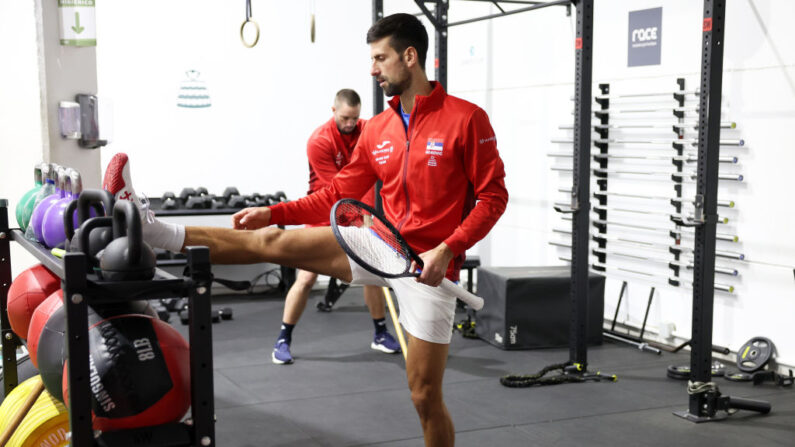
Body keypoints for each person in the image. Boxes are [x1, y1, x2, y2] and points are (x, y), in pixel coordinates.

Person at [103, 13, 507, 447]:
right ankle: (152, 229)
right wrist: (273, 212)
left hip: (428, 268)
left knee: (424, 396)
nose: (372, 69)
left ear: (410, 57)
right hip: (381, 244)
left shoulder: (467, 120)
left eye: (380, 58)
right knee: (270, 242)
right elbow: (336, 193)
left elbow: (492, 198)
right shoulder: (379, 129)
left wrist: (447, 249)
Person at [272, 88, 400, 365]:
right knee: (306, 278)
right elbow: (338, 190)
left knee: (371, 276)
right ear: (333, 111)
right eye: (345, 118)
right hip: (323, 212)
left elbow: (373, 172)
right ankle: (283, 338)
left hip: (359, 212)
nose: (350, 123)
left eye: (355, 117)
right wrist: (363, 217)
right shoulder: (319, 141)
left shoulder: (367, 130)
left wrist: (369, 217)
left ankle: (380, 333)